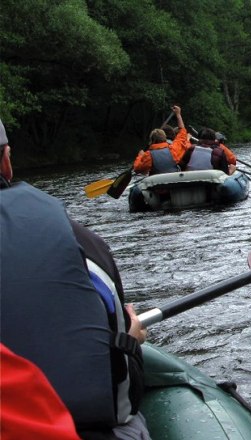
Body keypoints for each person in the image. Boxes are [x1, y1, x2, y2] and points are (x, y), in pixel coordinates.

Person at [0, 118, 150, 440]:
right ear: (6, 161)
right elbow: (125, 386)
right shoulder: (81, 242)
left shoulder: (149, 155)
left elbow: (141, 165)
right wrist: (132, 344)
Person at [132, 105, 188, 175]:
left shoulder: (148, 155)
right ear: (164, 138)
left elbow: (137, 169)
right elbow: (182, 132)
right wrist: (178, 114)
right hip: (174, 181)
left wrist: (140, 156)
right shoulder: (173, 149)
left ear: (152, 141)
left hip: (158, 184)